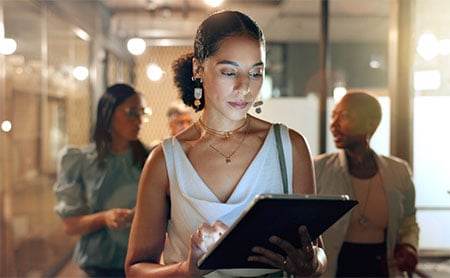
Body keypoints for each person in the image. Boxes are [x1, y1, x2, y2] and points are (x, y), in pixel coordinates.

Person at [125, 10, 327, 278]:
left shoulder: (289, 147)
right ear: (198, 68)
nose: (244, 87)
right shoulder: (166, 159)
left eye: (256, 73)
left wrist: (312, 265)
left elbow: (317, 249)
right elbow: (136, 269)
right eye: (230, 72)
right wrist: (186, 270)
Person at [314, 91, 420, 277]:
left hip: (382, 268)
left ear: (371, 123)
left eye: (344, 116)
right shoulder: (318, 169)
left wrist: (408, 246)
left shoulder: (398, 171)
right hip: (336, 269)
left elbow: (409, 222)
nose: (333, 125)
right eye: (333, 116)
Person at [53, 83, 151, 277]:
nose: (138, 121)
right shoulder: (80, 161)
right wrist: (104, 218)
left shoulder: (150, 159)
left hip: (142, 266)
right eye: (131, 112)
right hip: (96, 268)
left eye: (141, 113)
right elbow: (70, 225)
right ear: (107, 112)